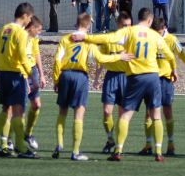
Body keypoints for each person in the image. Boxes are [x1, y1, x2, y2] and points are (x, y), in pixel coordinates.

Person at [73, 7, 177, 162]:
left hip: (136, 78)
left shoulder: (130, 32)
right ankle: (159, 152)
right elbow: (169, 55)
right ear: (149, 20)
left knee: (126, 115)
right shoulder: (155, 35)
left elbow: (108, 39)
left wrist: (86, 38)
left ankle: (118, 150)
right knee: (156, 115)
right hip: (153, 77)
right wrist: (174, 70)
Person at [52, 14, 132, 161]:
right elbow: (100, 59)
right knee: (79, 114)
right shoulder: (88, 42)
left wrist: (56, 79)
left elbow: (57, 59)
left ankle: (59, 144)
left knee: (62, 112)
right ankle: (75, 151)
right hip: (80, 77)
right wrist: (119, 57)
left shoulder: (65, 39)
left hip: (65, 75)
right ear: (88, 26)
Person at [139, 17, 185, 156]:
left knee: (167, 110)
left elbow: (183, 55)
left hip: (166, 80)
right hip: (151, 78)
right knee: (148, 113)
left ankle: (171, 144)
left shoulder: (172, 40)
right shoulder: (149, 38)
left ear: (164, 29)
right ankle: (148, 144)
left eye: (158, 32)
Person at [0, 2, 38, 159]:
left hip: (2, 74)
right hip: (16, 75)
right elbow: (23, 57)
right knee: (18, 111)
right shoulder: (21, 33)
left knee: (6, 108)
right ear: (24, 16)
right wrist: (31, 77)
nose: (30, 21)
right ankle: (22, 148)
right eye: (29, 17)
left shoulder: (4, 29)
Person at [92, 11, 132, 154]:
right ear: (118, 24)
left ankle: (119, 146)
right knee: (107, 111)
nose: (127, 28)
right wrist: (97, 78)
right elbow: (101, 59)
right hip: (111, 77)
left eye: (129, 25)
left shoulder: (132, 40)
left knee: (123, 115)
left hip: (126, 78)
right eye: (124, 25)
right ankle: (110, 140)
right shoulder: (110, 38)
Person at [22, 16, 46, 151]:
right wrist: (25, 79)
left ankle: (28, 134)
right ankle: (8, 138)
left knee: (36, 105)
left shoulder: (34, 39)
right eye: (38, 30)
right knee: (21, 109)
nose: (40, 32)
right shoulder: (22, 38)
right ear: (31, 28)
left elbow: (36, 53)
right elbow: (20, 59)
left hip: (33, 71)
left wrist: (41, 74)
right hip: (23, 73)